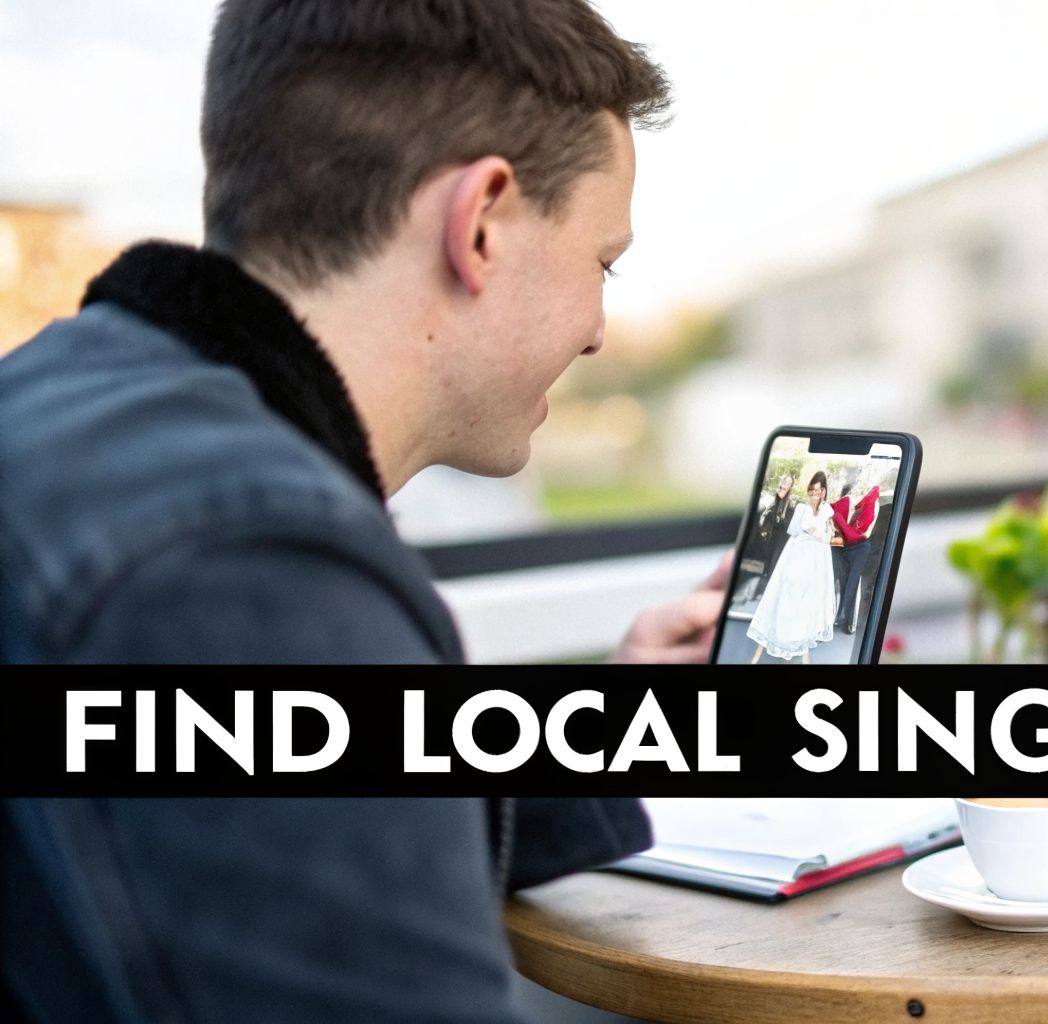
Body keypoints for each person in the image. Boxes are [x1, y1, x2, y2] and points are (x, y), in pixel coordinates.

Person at [0, 2, 725, 1020]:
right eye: (602, 263)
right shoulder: (246, 568)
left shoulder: (79, 408)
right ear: (481, 223)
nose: (599, 330)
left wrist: (621, 723)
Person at [746, 471, 837, 663]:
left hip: (816, 563)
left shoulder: (828, 510)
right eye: (812, 489)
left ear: (824, 491)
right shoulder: (802, 508)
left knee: (807, 606)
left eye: (819, 490)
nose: (816, 493)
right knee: (783, 599)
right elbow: (795, 530)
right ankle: (759, 653)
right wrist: (814, 531)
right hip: (797, 559)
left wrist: (820, 533)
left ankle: (804, 655)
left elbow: (828, 536)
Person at [829, 466, 882, 633]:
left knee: (852, 582)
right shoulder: (848, 497)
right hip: (842, 545)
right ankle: (837, 615)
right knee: (841, 580)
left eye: (863, 478)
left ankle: (846, 620)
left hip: (860, 547)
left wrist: (842, 523)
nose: (860, 481)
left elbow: (863, 530)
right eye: (858, 478)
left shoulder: (872, 501)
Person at [750, 471, 798, 592]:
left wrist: (781, 520)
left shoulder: (791, 503)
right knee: (767, 558)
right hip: (770, 533)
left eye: (788, 483)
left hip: (781, 536)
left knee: (774, 560)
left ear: (791, 486)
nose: (784, 485)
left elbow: (789, 520)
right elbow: (768, 512)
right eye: (784, 482)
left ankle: (768, 587)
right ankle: (762, 583)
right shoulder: (776, 496)